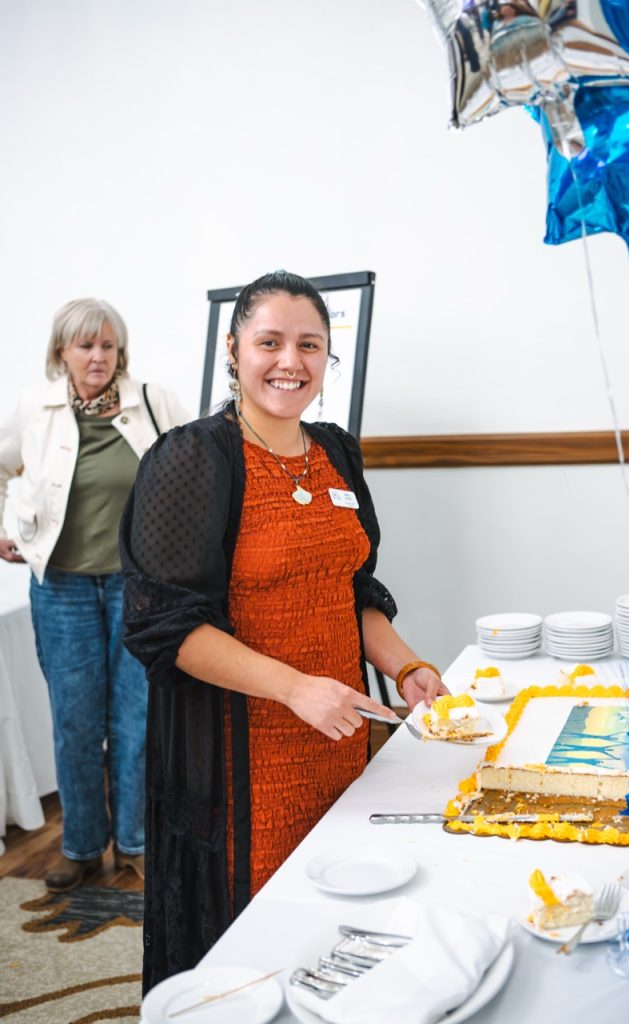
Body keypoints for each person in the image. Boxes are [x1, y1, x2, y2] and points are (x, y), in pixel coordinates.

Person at [119, 270, 448, 991]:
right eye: (269, 342)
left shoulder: (336, 452)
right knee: (259, 954)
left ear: (328, 357)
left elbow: (349, 591)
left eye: (309, 345)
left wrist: (406, 667)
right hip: (242, 763)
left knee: (339, 931)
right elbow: (164, 627)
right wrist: (297, 689)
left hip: (339, 741)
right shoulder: (190, 459)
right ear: (233, 350)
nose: (289, 361)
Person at [0, 298, 189, 892]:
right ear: (63, 350)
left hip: (140, 587)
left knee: (136, 721)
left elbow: (195, 472)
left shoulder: (153, 401)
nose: (99, 356)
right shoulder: (34, 409)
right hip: (61, 588)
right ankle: (81, 846)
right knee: (75, 723)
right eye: (86, 345)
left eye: (108, 345)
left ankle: (135, 842)